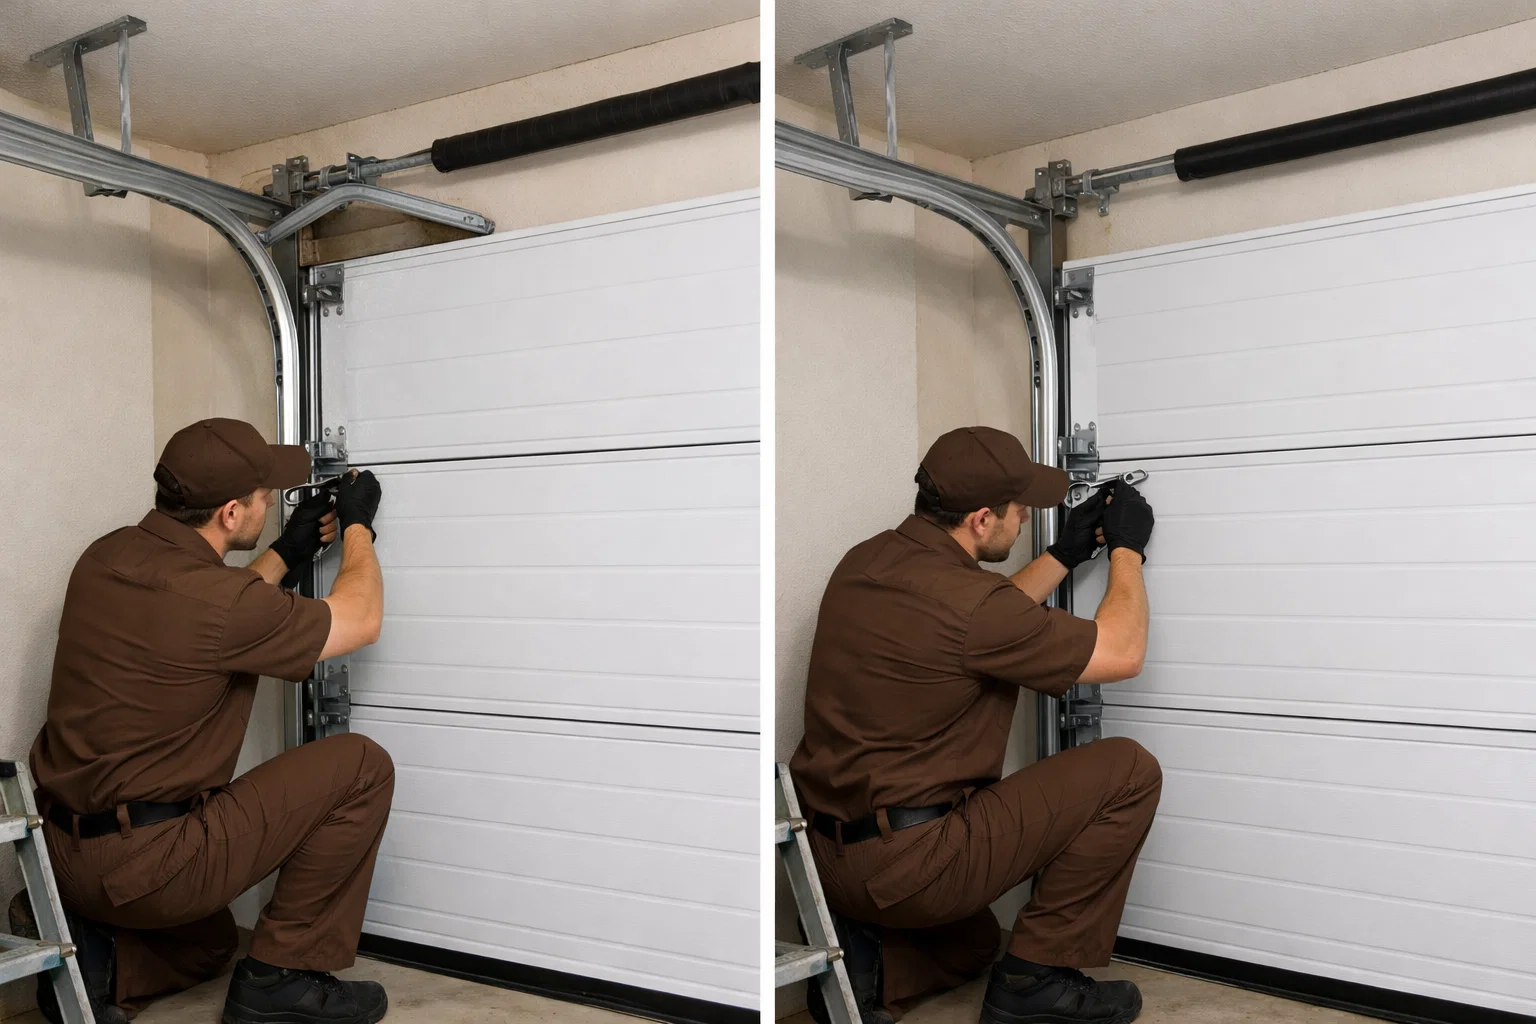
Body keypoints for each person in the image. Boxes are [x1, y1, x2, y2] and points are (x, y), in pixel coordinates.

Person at [11, 417, 392, 1024]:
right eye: (265, 497)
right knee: (363, 766)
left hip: (58, 861)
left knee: (213, 940)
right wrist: (358, 530)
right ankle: (279, 981)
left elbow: (207, 615)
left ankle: (95, 963)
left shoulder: (106, 556)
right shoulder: (221, 604)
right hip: (149, 865)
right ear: (231, 513)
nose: (271, 503)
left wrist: (286, 553)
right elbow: (359, 617)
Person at [791, 425, 1161, 1024]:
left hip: (828, 867)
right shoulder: (974, 605)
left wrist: (1063, 554)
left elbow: (975, 624)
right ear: (982, 520)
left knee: (978, 943)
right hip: (913, 864)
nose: (1024, 519)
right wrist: (1126, 550)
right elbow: (1122, 651)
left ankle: (868, 966)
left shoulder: (864, 562)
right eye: (1019, 509)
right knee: (1129, 770)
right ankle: (1032, 986)